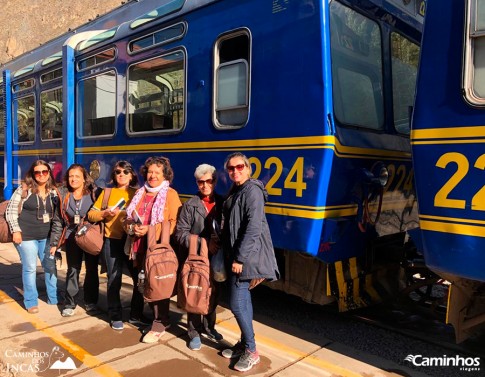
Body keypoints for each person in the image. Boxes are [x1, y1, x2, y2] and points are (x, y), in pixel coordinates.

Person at [220, 152, 280, 372]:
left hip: (244, 258)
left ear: (247, 168)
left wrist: (239, 258)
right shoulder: (237, 190)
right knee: (243, 302)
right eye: (231, 168)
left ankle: (252, 351)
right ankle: (244, 343)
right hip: (236, 254)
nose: (235, 171)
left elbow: (253, 227)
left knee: (236, 303)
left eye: (239, 167)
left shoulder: (252, 190)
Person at [124, 156, 181, 343]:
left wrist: (150, 230)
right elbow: (128, 218)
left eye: (157, 172)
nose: (152, 175)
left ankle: (160, 322)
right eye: (150, 172)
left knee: (158, 283)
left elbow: (173, 223)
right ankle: (156, 317)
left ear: (165, 175)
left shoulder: (170, 194)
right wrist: (132, 228)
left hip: (157, 247)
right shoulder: (140, 193)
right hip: (138, 245)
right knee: (145, 283)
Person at [87, 161, 148, 331]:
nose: (121, 174)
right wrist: (104, 213)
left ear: (131, 175)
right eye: (118, 172)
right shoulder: (107, 193)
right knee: (114, 278)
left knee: (138, 279)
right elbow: (91, 215)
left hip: (132, 240)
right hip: (111, 241)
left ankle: (136, 314)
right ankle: (115, 314)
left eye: (125, 171)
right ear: (114, 175)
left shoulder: (138, 193)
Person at [175, 164, 224, 351]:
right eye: (201, 182)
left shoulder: (222, 202)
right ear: (197, 183)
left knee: (213, 292)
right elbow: (180, 233)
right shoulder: (190, 205)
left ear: (215, 181)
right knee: (195, 292)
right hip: (196, 258)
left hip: (216, 258)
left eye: (209, 181)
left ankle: (210, 327)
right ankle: (193, 332)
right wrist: (203, 243)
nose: (205, 185)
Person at [6, 160, 59, 313]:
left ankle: (53, 297)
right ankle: (31, 301)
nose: (41, 175)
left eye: (44, 171)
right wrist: (15, 230)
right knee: (29, 268)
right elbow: (11, 211)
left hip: (47, 236)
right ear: (33, 174)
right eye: (37, 172)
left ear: (49, 173)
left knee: (50, 266)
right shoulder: (24, 189)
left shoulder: (54, 191)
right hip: (26, 236)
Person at [49, 164, 99, 317]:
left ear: (84, 179)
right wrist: (54, 243)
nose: (74, 179)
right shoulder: (64, 194)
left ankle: (91, 301)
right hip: (71, 236)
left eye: (77, 176)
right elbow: (58, 221)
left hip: (89, 236)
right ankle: (70, 303)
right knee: (73, 270)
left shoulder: (93, 194)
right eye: (71, 176)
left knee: (91, 270)